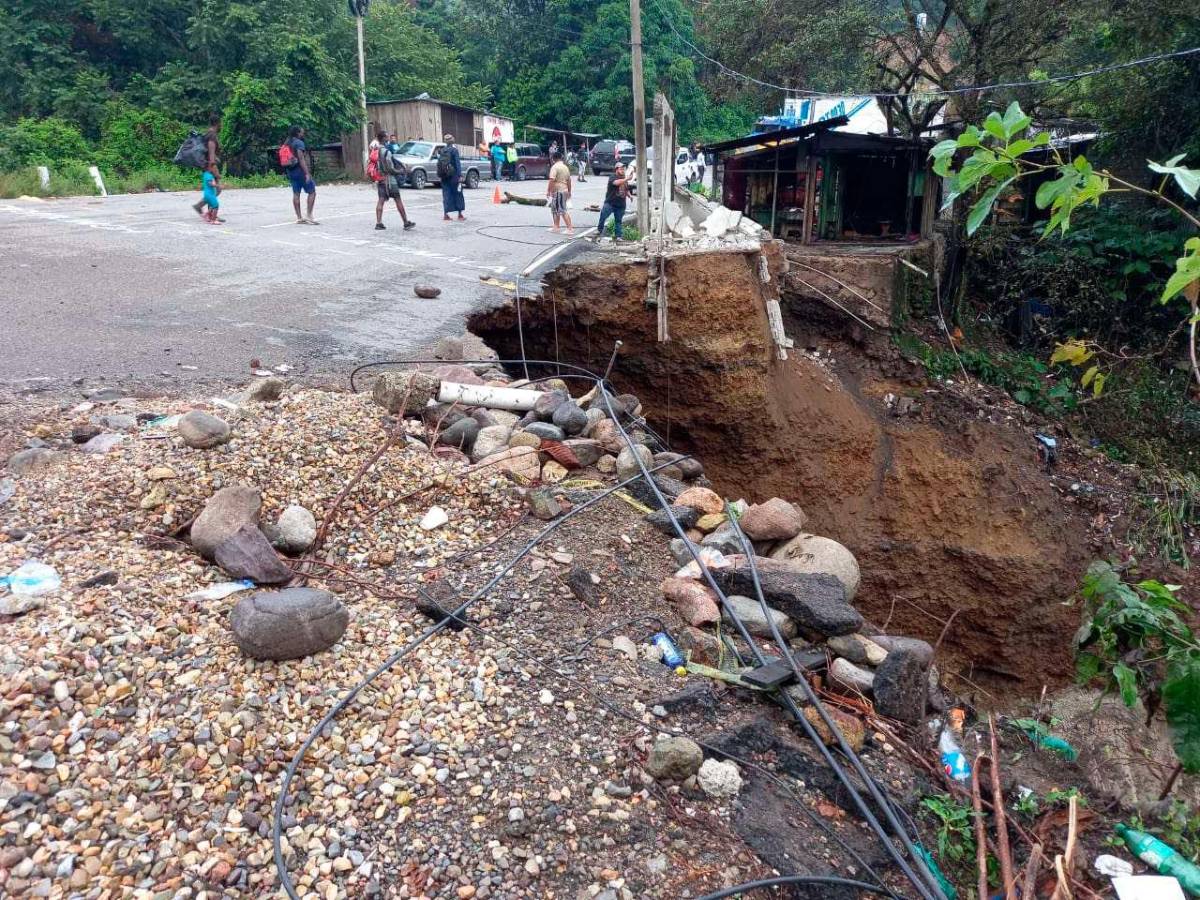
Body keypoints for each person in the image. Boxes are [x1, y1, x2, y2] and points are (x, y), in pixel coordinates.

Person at [371, 129, 415, 231]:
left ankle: (378, 223)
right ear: (384, 138)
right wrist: (401, 171)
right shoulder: (386, 152)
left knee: (381, 200)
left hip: (380, 179)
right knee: (398, 200)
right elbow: (390, 169)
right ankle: (406, 222)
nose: (388, 138)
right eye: (386, 136)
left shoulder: (375, 151)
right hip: (390, 180)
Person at [285, 126, 318, 224]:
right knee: (312, 191)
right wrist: (307, 173)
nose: (303, 133)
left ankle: (299, 217)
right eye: (302, 132)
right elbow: (301, 159)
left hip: (291, 171)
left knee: (296, 194)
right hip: (300, 171)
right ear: (298, 133)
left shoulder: (287, 142)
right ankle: (309, 215)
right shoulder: (299, 143)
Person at [192, 113, 223, 220]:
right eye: (220, 123)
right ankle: (205, 210)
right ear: (217, 123)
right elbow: (211, 153)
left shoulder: (208, 134)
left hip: (208, 166)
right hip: (210, 166)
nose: (221, 126)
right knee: (216, 189)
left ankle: (206, 210)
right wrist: (214, 169)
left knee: (213, 190)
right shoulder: (212, 135)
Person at [596, 162, 628, 241]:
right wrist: (626, 179)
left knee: (618, 221)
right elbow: (616, 183)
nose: (622, 170)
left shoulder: (624, 178)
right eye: (621, 169)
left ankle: (618, 236)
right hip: (610, 202)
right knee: (603, 216)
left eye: (623, 169)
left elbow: (626, 189)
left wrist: (629, 195)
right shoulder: (613, 177)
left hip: (621, 204)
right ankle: (599, 230)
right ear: (616, 169)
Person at [438, 133, 465, 221]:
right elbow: (457, 163)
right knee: (458, 193)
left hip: (444, 176)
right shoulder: (454, 150)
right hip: (454, 175)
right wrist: (460, 175)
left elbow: (439, 164)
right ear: (452, 140)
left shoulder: (442, 151)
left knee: (446, 194)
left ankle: (446, 215)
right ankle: (460, 214)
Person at [546, 150, 573, 234]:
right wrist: (569, 191)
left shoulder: (555, 167)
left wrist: (548, 190)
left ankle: (569, 228)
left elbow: (552, 180)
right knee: (555, 209)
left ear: (553, 159)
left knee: (561, 210)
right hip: (564, 190)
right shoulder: (565, 167)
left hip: (559, 191)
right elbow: (569, 180)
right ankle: (556, 226)